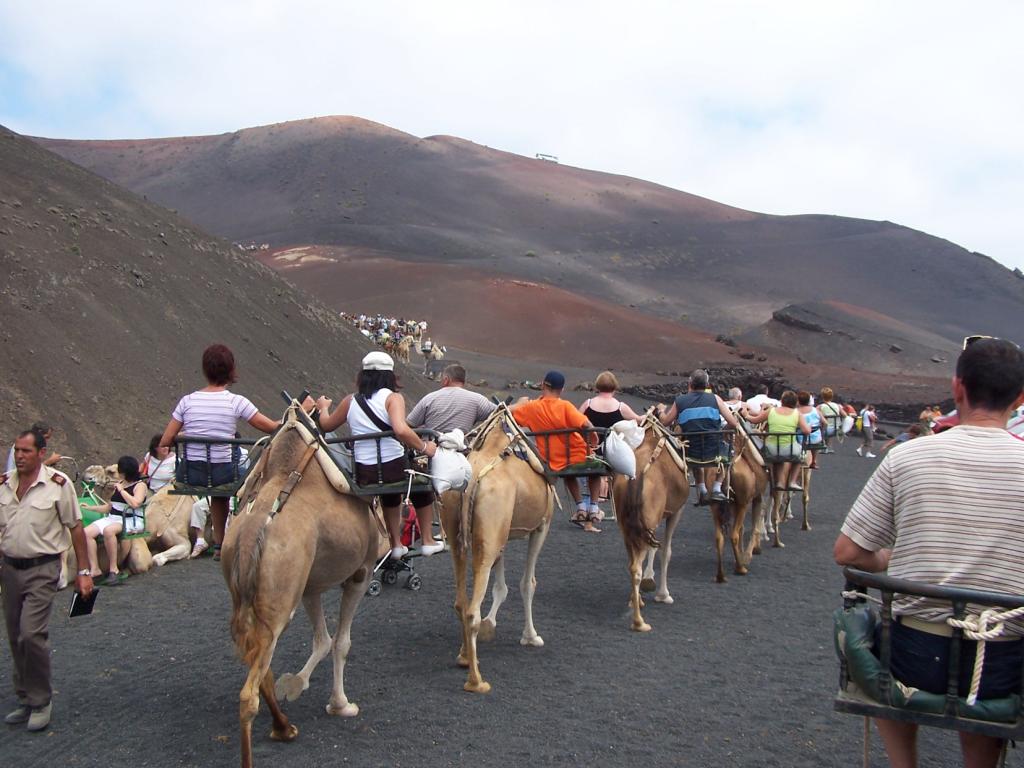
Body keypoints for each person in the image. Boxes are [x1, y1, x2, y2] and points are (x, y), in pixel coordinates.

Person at [834, 337, 1024, 768]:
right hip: (1003, 666)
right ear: (1020, 397)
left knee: (867, 631)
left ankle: (904, 762)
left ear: (957, 389)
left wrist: (888, 560)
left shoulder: (907, 457)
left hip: (914, 657)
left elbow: (847, 552)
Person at [1, 429, 92, 732]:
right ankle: (25, 697)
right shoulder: (4, 484)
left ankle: (41, 701)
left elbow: (76, 527)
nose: (20, 456)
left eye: (26, 451)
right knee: (14, 635)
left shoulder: (58, 484)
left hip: (43, 568)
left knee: (31, 633)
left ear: (41, 453)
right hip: (10, 569)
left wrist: (83, 572)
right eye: (16, 450)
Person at [159, 344, 280, 561]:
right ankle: (234, 536)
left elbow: (165, 441)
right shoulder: (236, 401)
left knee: (217, 490)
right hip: (222, 472)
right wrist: (299, 412)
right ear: (231, 370)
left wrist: (188, 433)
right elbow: (271, 427)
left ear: (205, 370)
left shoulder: (187, 401)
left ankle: (219, 543)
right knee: (242, 474)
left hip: (192, 473)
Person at [316, 351, 440, 559]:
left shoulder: (350, 401)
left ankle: (396, 544)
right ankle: (428, 540)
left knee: (389, 493)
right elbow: (400, 429)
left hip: (363, 473)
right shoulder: (393, 398)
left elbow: (327, 425)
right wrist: (424, 447)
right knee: (421, 484)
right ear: (390, 376)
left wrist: (323, 409)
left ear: (363, 376)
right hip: (392, 469)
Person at [511, 371, 601, 531]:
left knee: (569, 472)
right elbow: (586, 425)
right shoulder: (565, 406)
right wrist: (593, 440)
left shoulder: (531, 408)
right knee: (596, 469)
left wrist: (519, 403)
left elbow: (512, 416)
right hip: (576, 455)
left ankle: (580, 507)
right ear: (562, 390)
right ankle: (593, 508)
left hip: (551, 459)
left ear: (543, 385)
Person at [656, 370, 741, 505]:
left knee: (693, 448)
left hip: (691, 451)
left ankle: (702, 490)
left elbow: (665, 422)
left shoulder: (680, 401)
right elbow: (733, 423)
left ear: (690, 384)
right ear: (707, 384)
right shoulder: (715, 399)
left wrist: (660, 411)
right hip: (714, 450)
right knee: (728, 452)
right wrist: (722, 432)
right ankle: (717, 488)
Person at [578, 371, 643, 516]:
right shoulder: (620, 407)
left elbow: (575, 420)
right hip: (612, 454)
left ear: (597, 386)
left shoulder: (587, 404)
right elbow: (638, 420)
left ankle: (589, 502)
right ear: (614, 387)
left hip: (591, 452)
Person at [81, 456, 147, 586]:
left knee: (109, 531)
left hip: (130, 519)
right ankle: (95, 570)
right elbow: (110, 506)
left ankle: (113, 569)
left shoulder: (140, 485)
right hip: (113, 517)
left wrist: (122, 491)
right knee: (86, 533)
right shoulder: (119, 484)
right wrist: (90, 508)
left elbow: (135, 503)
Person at [745, 390, 811, 492]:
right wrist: (809, 427)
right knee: (801, 457)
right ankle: (792, 481)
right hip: (790, 449)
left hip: (771, 449)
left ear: (782, 401)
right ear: (795, 402)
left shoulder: (771, 411)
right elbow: (806, 431)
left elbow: (755, 420)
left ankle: (780, 481)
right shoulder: (797, 414)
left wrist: (746, 415)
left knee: (778, 458)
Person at [407, 364, 497, 435]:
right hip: (459, 451)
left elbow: (410, 424)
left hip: (431, 450)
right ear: (463, 382)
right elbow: (500, 413)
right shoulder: (477, 400)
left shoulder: (429, 398)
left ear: (446, 380)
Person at [797, 390, 823, 469]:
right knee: (815, 443)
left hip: (801, 439)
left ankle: (799, 457)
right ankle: (814, 461)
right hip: (815, 438)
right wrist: (821, 429)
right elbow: (825, 422)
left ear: (798, 401)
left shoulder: (796, 412)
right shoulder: (816, 410)